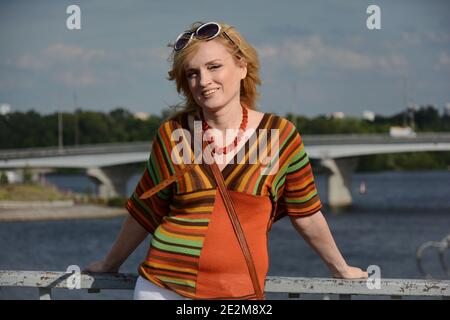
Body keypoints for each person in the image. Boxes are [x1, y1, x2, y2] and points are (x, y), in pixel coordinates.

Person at [85, 21, 368, 300]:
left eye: (214, 67)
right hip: (163, 289)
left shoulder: (278, 136)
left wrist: (340, 268)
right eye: (193, 73)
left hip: (239, 295)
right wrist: (110, 264)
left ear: (242, 67)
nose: (204, 81)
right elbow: (146, 210)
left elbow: (305, 213)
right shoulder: (175, 134)